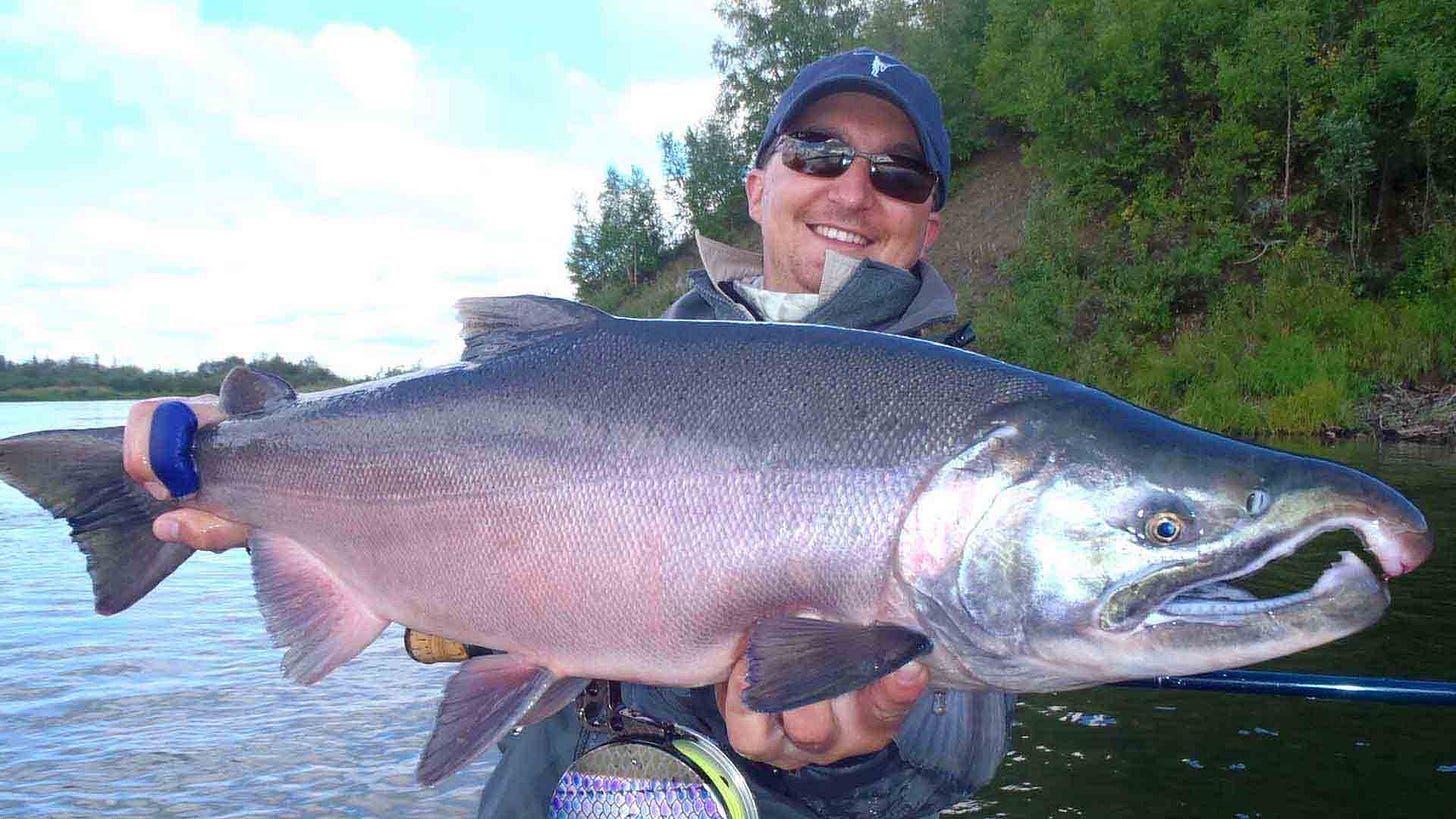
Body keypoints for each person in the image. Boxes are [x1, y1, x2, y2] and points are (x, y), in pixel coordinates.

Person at [122, 49, 993, 818]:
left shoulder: (975, 428)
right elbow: (414, 469)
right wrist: (254, 460)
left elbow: (967, 740)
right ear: (759, 186)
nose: (852, 188)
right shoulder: (609, 367)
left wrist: (858, 761)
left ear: (931, 222)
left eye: (900, 172)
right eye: (819, 152)